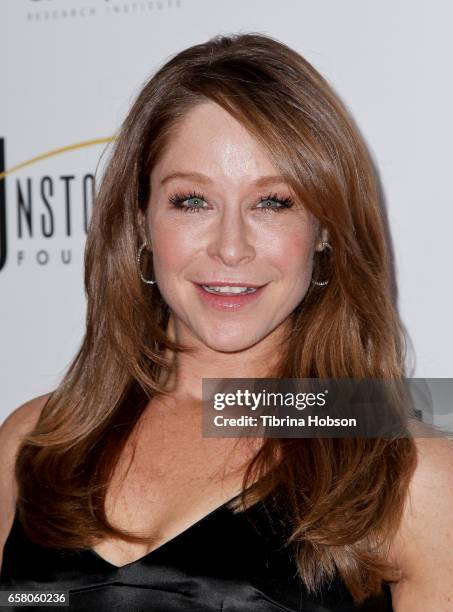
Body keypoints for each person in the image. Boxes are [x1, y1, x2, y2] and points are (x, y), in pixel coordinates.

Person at [1, 32, 452, 612]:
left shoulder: (402, 470)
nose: (231, 248)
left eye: (273, 202)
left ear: (325, 230)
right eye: (192, 201)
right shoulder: (34, 443)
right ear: (141, 220)